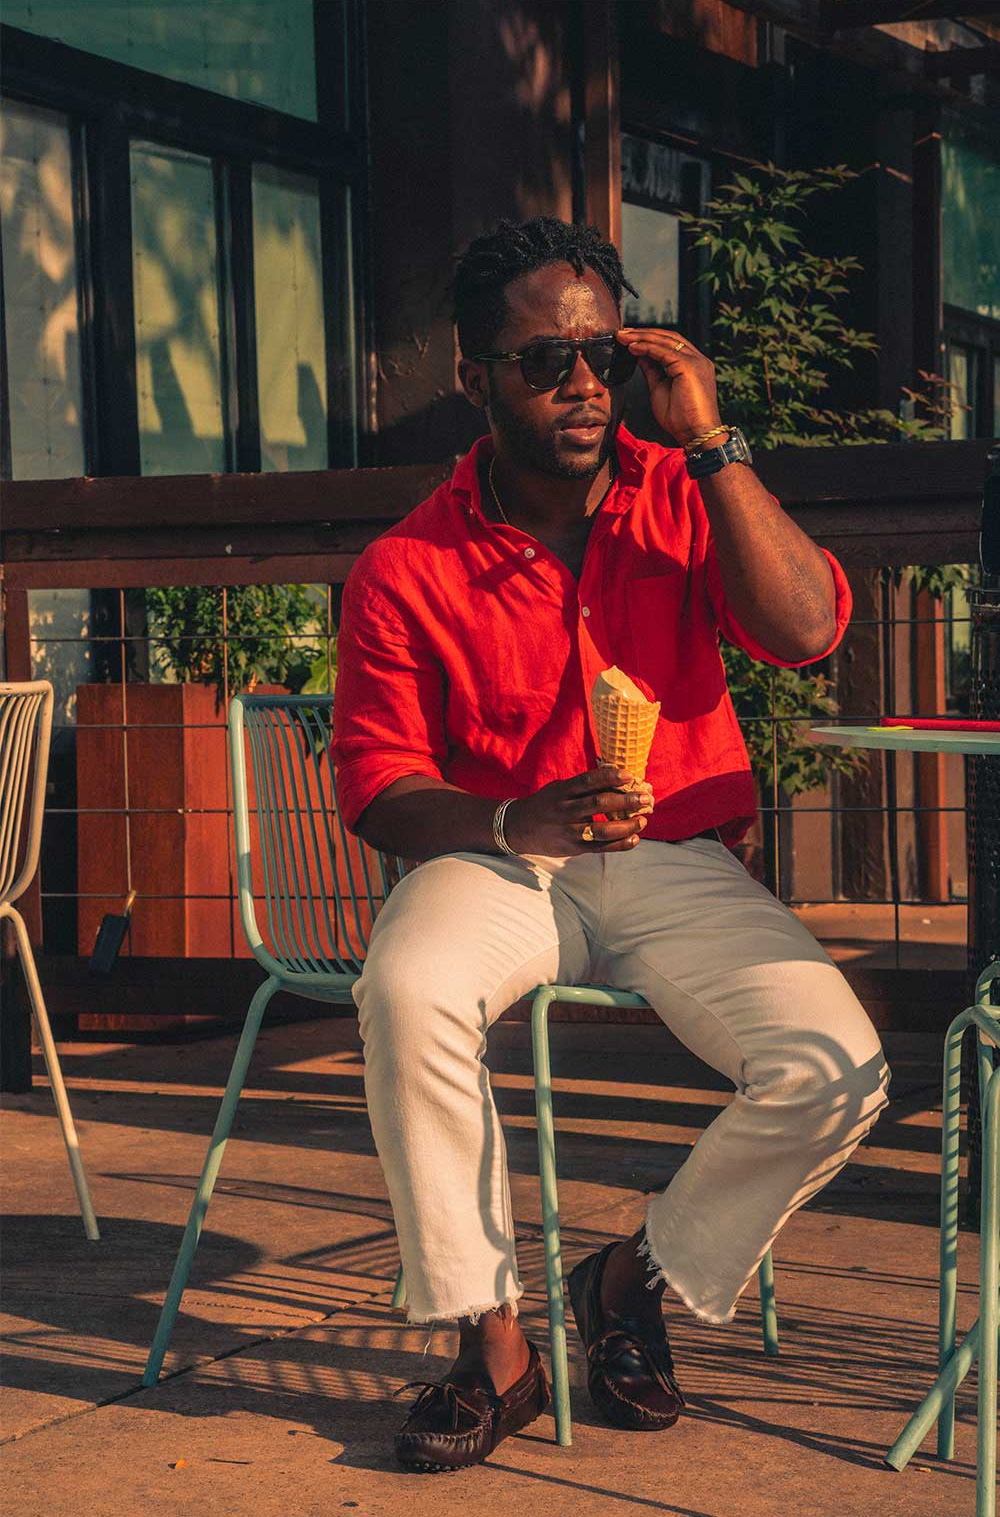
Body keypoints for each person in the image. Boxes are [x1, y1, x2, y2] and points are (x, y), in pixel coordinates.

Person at [331, 216, 890, 1474]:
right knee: (408, 986)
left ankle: (633, 1279)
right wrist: (502, 819)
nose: (583, 382)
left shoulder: (684, 493)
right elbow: (374, 780)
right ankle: (493, 1344)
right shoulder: (406, 562)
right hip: (494, 859)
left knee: (836, 1064)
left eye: (603, 354)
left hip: (672, 854)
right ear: (474, 377)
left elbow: (803, 630)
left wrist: (710, 440)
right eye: (544, 360)